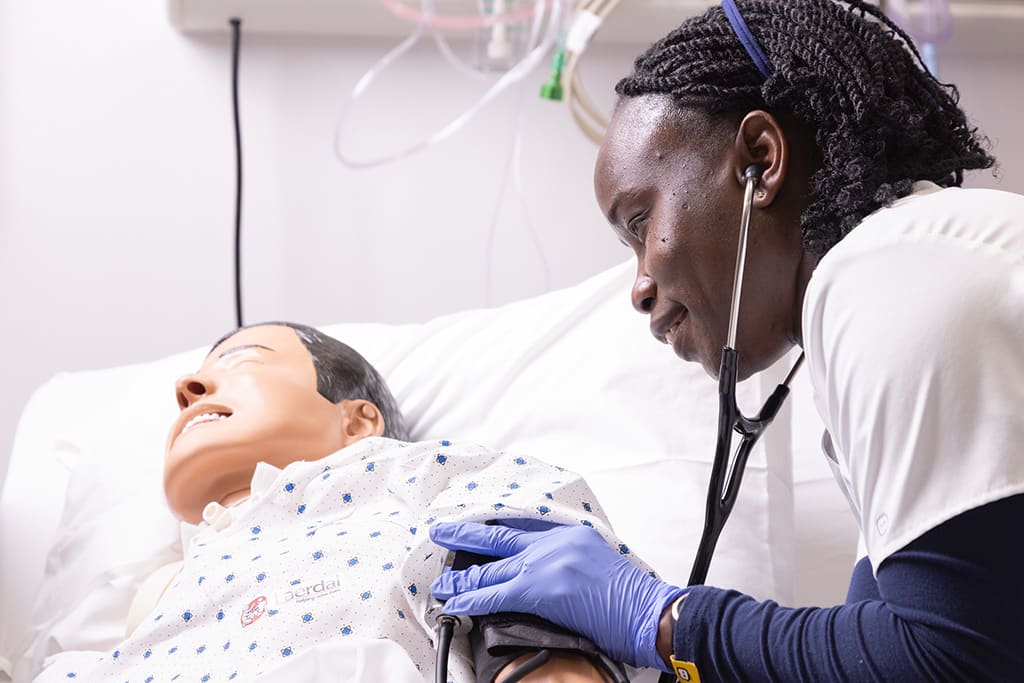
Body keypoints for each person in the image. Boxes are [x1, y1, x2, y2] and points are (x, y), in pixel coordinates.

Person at [429, 0, 1024, 680]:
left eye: (641, 219)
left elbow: (949, 660)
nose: (639, 288)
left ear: (760, 161)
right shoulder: (897, 284)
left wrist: (661, 619)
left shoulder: (894, 275)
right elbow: (890, 645)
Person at [34, 322, 630, 683]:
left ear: (358, 421)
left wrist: (539, 660)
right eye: (193, 380)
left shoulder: (408, 476)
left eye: (238, 362)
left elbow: (531, 529)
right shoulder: (156, 592)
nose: (187, 389)